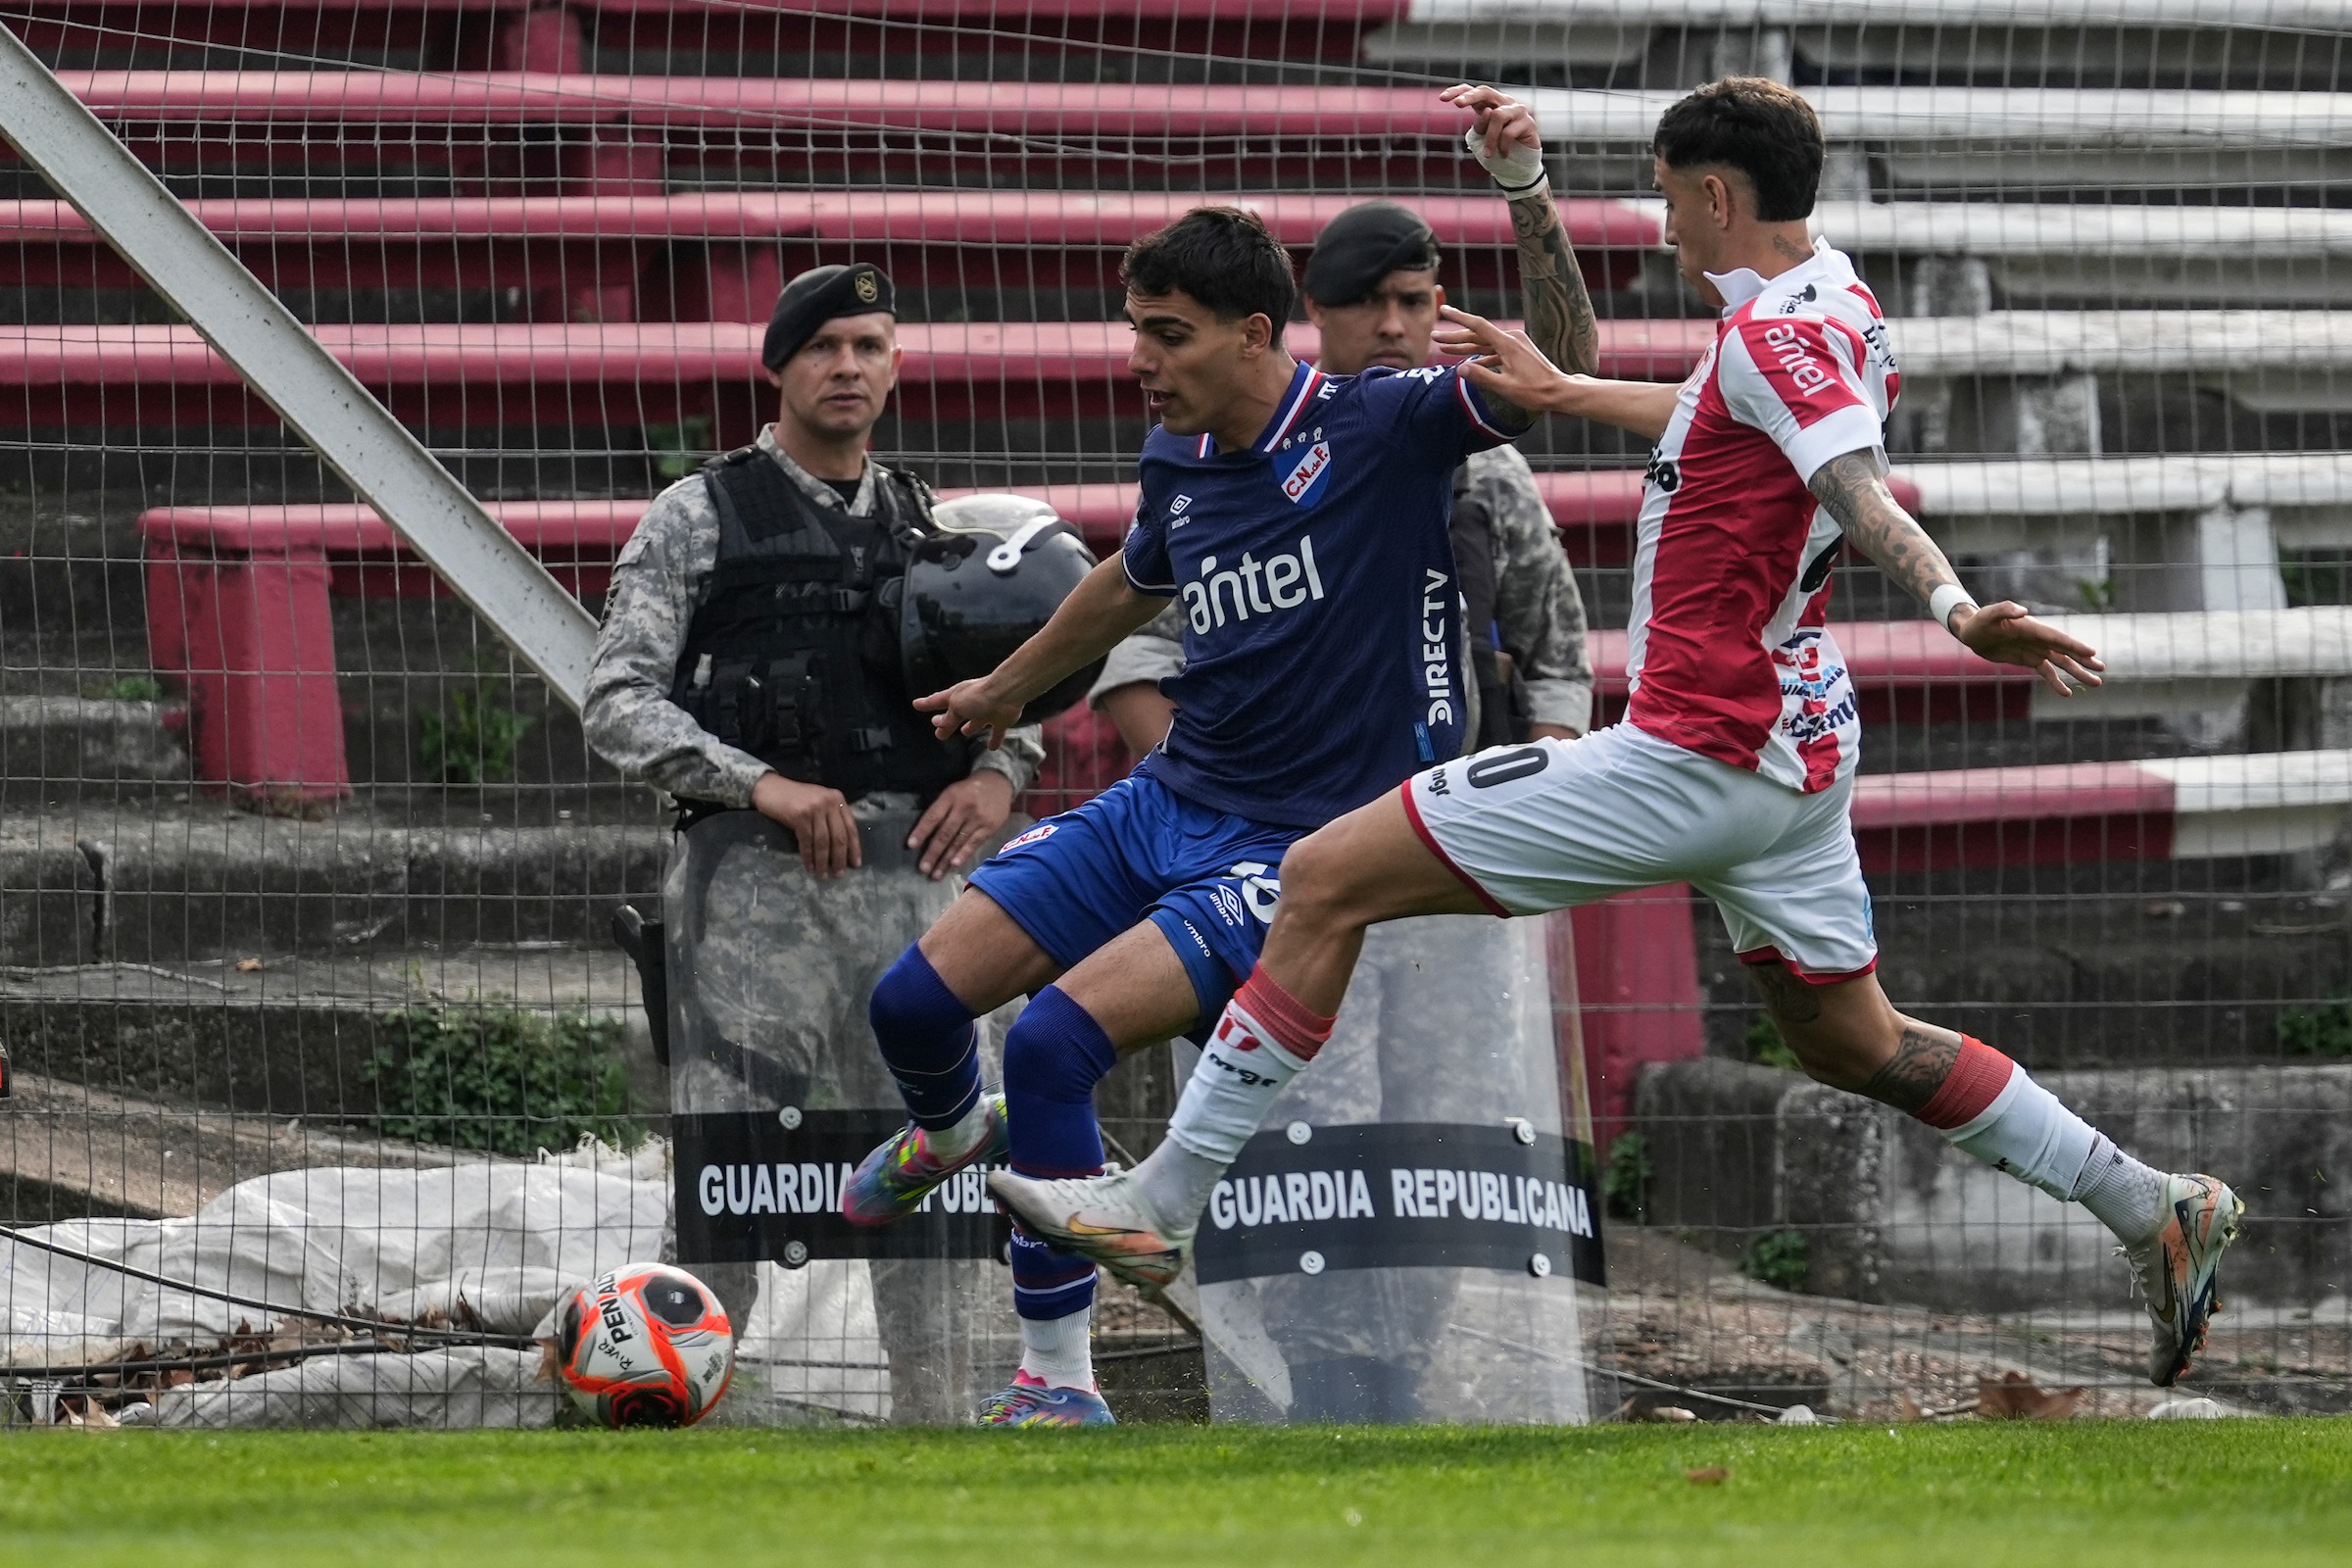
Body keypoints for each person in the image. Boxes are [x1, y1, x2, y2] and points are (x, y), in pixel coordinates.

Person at [993, 76, 2244, 1393]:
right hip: (1797, 745)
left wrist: (1953, 606)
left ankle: (1163, 1201)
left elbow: (1849, 484)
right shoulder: (1834, 301)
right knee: (1854, 1043)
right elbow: (1721, 417)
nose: (1660, 225)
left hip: (1696, 752)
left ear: (1714, 195)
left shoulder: (1773, 338)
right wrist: (1572, 387)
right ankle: (2151, 1202)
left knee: (1320, 876)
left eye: (1664, 199)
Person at [839, 84, 1603, 1425]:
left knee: (1057, 1044)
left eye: (1168, 333)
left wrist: (1526, 191)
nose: (1141, 357)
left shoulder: (1382, 422)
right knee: (911, 1004)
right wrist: (1009, 688)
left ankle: (1056, 1384)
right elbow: (1131, 581)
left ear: (1255, 333)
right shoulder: (1181, 455)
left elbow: (1566, 365)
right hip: (1169, 801)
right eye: (1136, 329)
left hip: (1300, 846)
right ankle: (953, 1130)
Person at [582, 262, 1043, 1417]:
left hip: (919, 898)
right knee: (731, 1173)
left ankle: (939, 1428)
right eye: (825, 346)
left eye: (870, 346)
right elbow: (618, 702)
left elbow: (1019, 682)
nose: (849, 367)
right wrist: (764, 785)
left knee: (933, 1167)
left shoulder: (934, 524)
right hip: (752, 897)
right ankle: (679, 1414)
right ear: (778, 366)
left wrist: (999, 774)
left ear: (895, 365)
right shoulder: (699, 515)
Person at [1092, 197, 1593, 758]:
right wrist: (1204, 785)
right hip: (1259, 787)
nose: (1392, 326)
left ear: (1438, 307)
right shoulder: (1218, 448)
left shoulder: (1490, 473)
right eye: (1364, 301)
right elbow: (1137, 649)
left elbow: (1557, 669)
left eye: (1411, 302)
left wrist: (1519, 793)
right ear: (1314, 307)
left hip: (1452, 788)